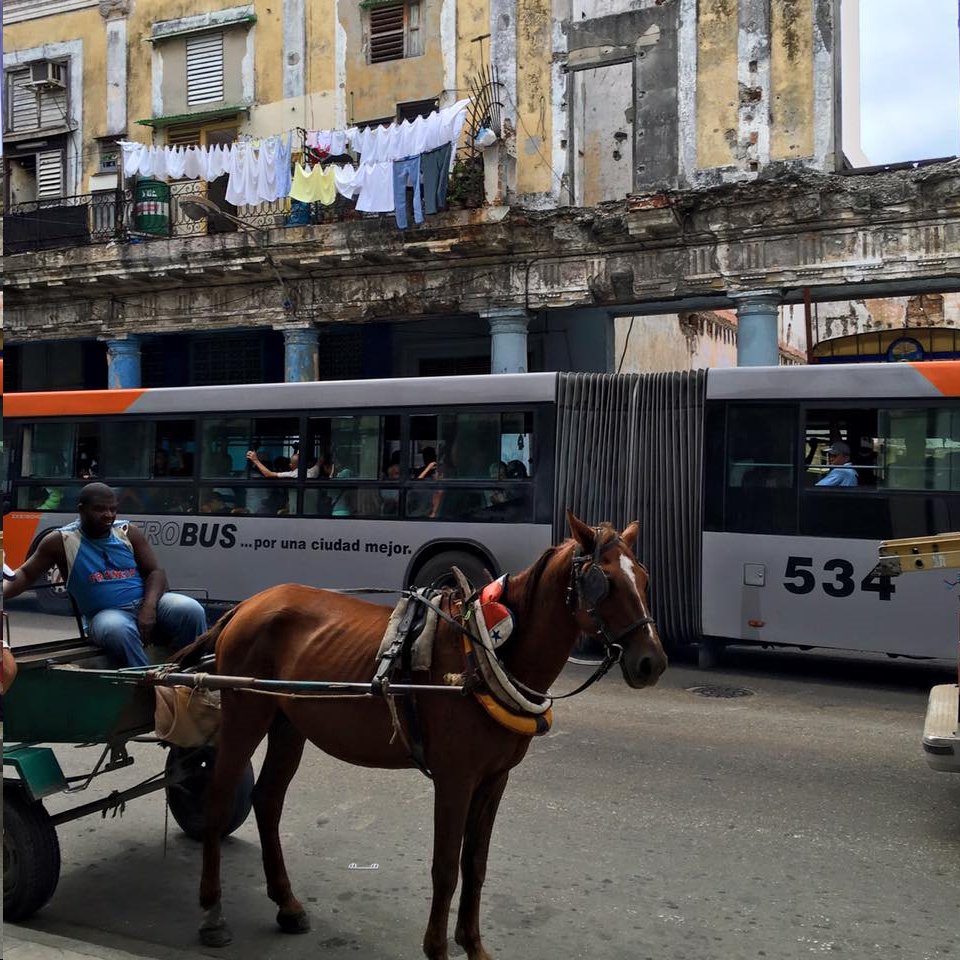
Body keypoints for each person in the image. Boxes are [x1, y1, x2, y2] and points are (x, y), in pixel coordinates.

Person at [2, 483, 207, 668]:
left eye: (113, 509)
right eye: (100, 509)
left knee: (190, 608)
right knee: (117, 630)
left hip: (146, 602)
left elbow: (155, 572)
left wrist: (149, 608)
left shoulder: (127, 532)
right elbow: (26, 574)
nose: (108, 514)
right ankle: (147, 682)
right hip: (106, 614)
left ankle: (191, 668)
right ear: (81, 510)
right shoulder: (60, 540)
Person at [246, 444, 320, 479]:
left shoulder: (293, 474)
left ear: (291, 466)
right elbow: (319, 462)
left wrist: (255, 460)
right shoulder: (313, 471)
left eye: (290, 463)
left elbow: (268, 474)